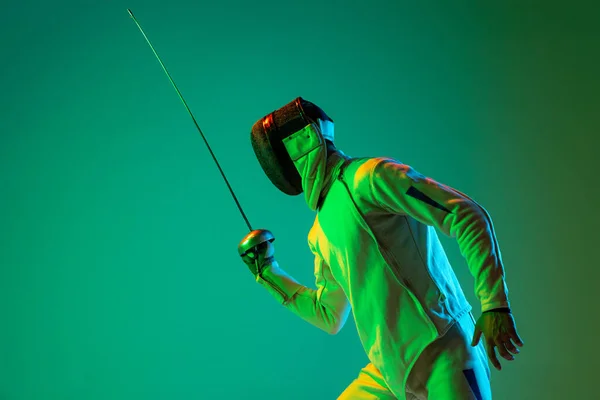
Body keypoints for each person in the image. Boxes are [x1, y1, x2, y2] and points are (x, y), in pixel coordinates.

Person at [238, 97, 524, 399]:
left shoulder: (371, 177)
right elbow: (329, 314)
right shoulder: (319, 232)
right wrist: (268, 273)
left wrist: (495, 304)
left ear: (303, 141)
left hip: (445, 351)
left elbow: (465, 213)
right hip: (389, 371)